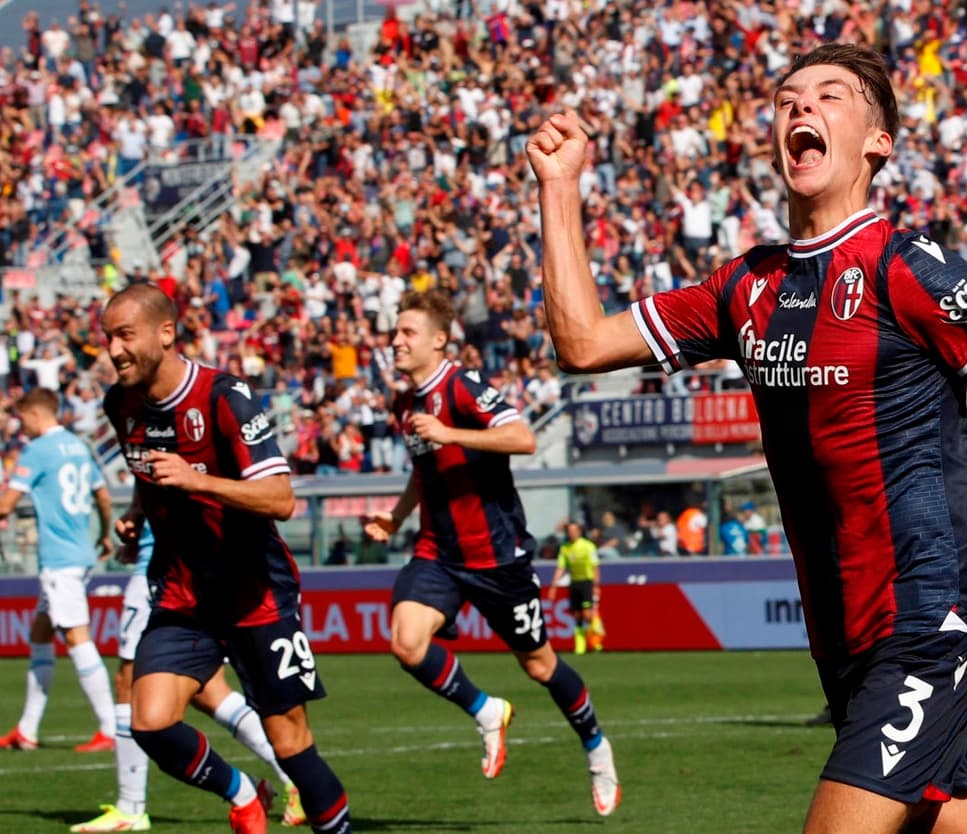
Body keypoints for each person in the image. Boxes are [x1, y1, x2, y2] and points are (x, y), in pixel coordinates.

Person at [528, 43, 967, 834]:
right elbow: (582, 344)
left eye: (830, 95)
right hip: (844, 638)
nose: (801, 106)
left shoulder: (910, 269)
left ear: (877, 142)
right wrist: (559, 188)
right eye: (788, 98)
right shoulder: (745, 286)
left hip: (929, 622)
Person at [101, 284, 352, 834]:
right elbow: (147, 468)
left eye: (125, 336)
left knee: (290, 742)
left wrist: (199, 481)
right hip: (183, 594)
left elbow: (280, 499)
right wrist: (137, 514)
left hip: (254, 591)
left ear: (166, 333)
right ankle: (242, 793)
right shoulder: (120, 403)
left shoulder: (224, 396)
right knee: (150, 721)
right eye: (108, 338)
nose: (114, 350)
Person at [361, 290, 620, 816]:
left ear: (439, 340)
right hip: (438, 551)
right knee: (406, 643)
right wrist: (397, 515)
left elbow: (523, 438)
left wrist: (450, 432)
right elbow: (425, 469)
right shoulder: (406, 403)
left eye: (408, 332)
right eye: (395, 332)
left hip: (497, 557)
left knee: (540, 666)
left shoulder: (463, 386)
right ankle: (486, 711)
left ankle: (597, 747)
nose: (396, 341)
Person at [71, 522, 308, 832]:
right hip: (196, 572)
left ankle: (131, 807)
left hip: (168, 573)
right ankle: (296, 781)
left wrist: (142, 526)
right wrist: (136, 519)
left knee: (129, 683)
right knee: (209, 692)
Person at [0, 388, 117, 754]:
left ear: (36, 414)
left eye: (23, 419)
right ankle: (27, 730)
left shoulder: (37, 450)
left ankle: (110, 728)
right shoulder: (79, 445)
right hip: (80, 552)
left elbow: (6, 504)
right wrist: (106, 535)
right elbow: (103, 496)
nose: (21, 426)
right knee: (40, 632)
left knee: (77, 637)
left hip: (60, 560)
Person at [548, 521, 602, 654]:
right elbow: (560, 568)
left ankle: (596, 640)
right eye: (569, 531)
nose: (571, 533)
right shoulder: (565, 548)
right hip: (574, 583)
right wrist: (553, 586)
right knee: (577, 615)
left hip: (587, 582)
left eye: (574, 530)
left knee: (587, 614)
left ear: (579, 531)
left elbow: (595, 566)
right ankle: (580, 645)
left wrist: (596, 585)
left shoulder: (588, 546)